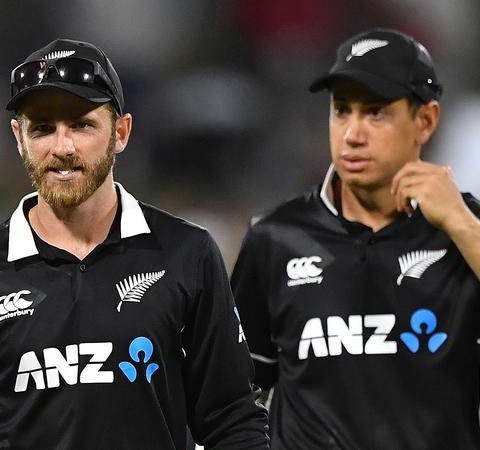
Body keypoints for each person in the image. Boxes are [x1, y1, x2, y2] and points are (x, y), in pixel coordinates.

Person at [0, 38, 269, 450]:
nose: (62, 147)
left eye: (81, 125)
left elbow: (232, 420)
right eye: (42, 128)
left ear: (121, 132)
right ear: (19, 138)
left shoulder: (186, 253)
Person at [231, 27, 480, 449]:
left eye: (376, 113)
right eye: (342, 110)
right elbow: (232, 393)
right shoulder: (275, 238)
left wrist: (460, 223)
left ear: (425, 121)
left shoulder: (466, 229)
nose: (352, 134)